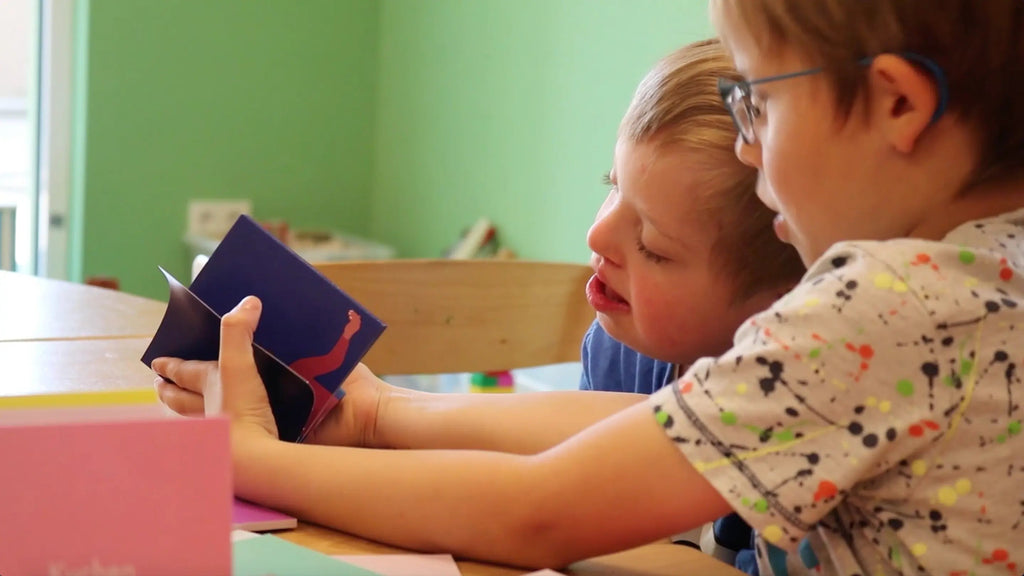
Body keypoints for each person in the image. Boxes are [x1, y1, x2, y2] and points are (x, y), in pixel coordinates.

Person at [156, 1, 1024, 568]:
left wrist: (253, 460)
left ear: (898, 106)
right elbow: (666, 426)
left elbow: (541, 513)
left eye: (758, 98)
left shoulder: (891, 301)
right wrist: (386, 416)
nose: (748, 143)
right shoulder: (988, 273)